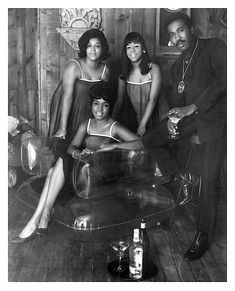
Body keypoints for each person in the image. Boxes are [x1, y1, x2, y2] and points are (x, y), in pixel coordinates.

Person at [10, 82, 144, 243]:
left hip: (101, 176)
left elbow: (141, 143)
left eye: (105, 105)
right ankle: (41, 218)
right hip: (84, 170)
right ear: (91, 104)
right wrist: (78, 153)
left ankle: (39, 219)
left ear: (111, 107)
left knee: (58, 165)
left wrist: (114, 145)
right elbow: (72, 146)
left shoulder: (114, 127)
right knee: (59, 161)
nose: (99, 109)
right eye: (96, 104)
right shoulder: (86, 124)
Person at [142, 12, 226, 260]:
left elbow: (225, 81)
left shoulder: (214, 47)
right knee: (150, 139)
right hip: (189, 121)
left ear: (191, 29)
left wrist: (194, 107)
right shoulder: (177, 65)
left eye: (180, 30)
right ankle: (181, 176)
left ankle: (203, 235)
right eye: (171, 34)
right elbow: (176, 102)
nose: (176, 37)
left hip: (216, 121)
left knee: (209, 180)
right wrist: (172, 122)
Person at [48, 28, 110, 144]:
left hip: (90, 111)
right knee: (67, 147)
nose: (93, 50)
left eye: (97, 46)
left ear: (102, 48)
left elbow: (103, 99)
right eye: (89, 46)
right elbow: (67, 97)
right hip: (71, 110)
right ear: (84, 48)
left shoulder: (105, 71)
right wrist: (63, 128)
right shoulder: (73, 67)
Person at [112, 32, 163, 137]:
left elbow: (153, 99)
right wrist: (111, 121)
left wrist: (143, 124)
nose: (132, 50)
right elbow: (120, 100)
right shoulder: (123, 72)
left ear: (143, 49)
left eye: (136, 46)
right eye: (128, 47)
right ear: (125, 51)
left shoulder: (153, 68)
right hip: (136, 117)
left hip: (156, 116)